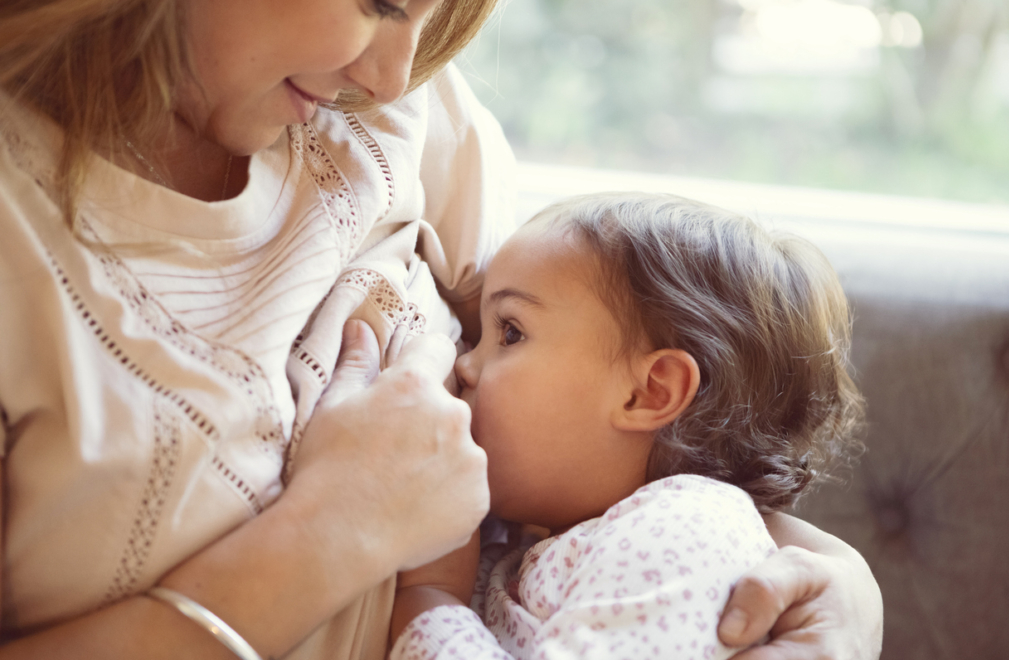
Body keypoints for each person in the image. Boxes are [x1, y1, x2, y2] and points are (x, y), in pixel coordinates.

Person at [0, 1, 881, 659]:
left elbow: (620, 410)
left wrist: (838, 589)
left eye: (434, 9)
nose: (394, 74)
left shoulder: (397, 109)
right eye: (381, 0)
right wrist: (336, 531)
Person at [387, 193, 867, 658]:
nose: (465, 365)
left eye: (510, 332)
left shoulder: (684, 537)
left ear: (649, 393)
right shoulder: (557, 532)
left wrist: (433, 595)